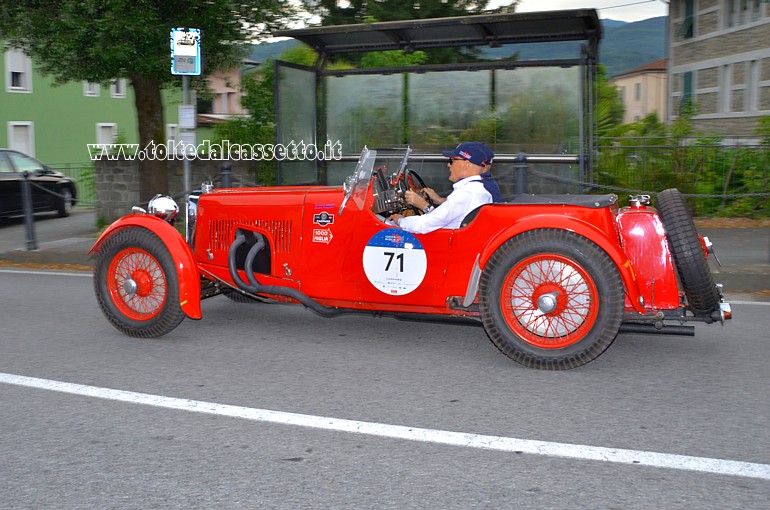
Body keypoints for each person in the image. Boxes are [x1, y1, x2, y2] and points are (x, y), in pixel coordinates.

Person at [388, 142, 494, 234]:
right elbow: (442, 220)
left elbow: (424, 225)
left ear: (465, 165)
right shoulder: (481, 192)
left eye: (452, 160)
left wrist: (400, 221)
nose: (448, 165)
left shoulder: (465, 194)